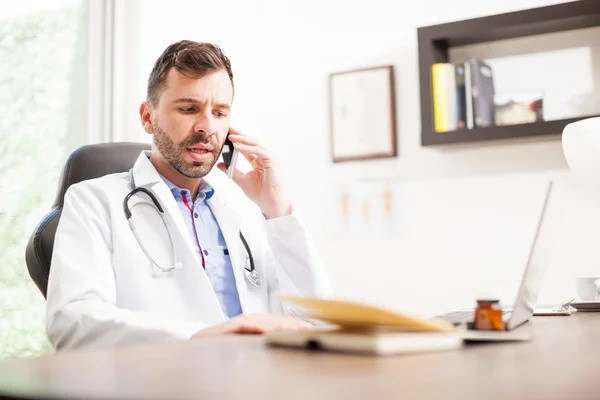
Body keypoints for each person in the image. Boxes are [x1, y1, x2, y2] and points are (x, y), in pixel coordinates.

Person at [46, 40, 333, 350]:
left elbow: (318, 323)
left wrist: (276, 209)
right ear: (147, 117)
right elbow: (72, 322)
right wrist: (201, 338)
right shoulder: (94, 202)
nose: (207, 127)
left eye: (220, 113)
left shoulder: (242, 210)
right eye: (189, 108)